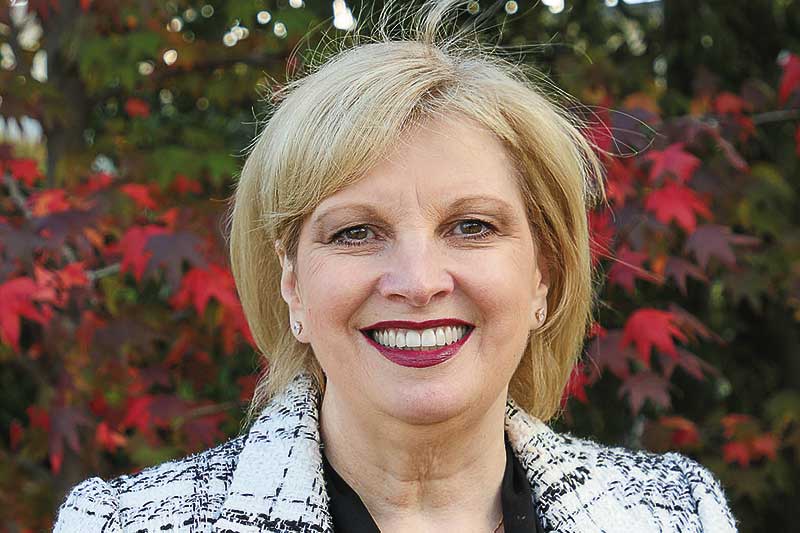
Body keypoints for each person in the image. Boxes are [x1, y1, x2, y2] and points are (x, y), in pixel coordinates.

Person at [54, 1, 738, 531]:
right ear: (292, 283)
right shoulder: (114, 524)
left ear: (543, 276)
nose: (418, 282)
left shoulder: (681, 514)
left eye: (472, 226)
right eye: (356, 233)